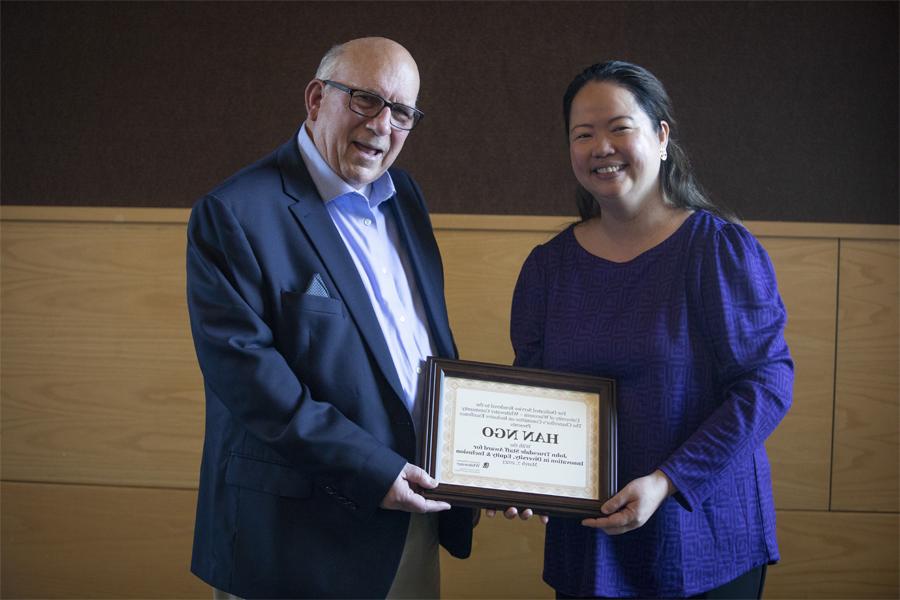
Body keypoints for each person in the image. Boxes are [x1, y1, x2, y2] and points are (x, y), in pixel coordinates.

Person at [186, 37, 474, 599]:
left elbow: (421, 345)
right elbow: (253, 383)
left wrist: (483, 464)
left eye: (403, 112)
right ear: (317, 99)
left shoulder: (405, 196)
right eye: (366, 100)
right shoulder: (235, 213)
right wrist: (374, 470)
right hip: (293, 538)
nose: (383, 124)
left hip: (407, 515)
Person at [507, 61, 794, 598]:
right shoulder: (548, 267)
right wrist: (524, 474)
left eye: (619, 128)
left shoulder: (716, 249)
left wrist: (668, 482)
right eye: (583, 134)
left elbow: (767, 385)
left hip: (702, 531)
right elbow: (534, 391)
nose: (601, 147)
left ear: (661, 137)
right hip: (588, 540)